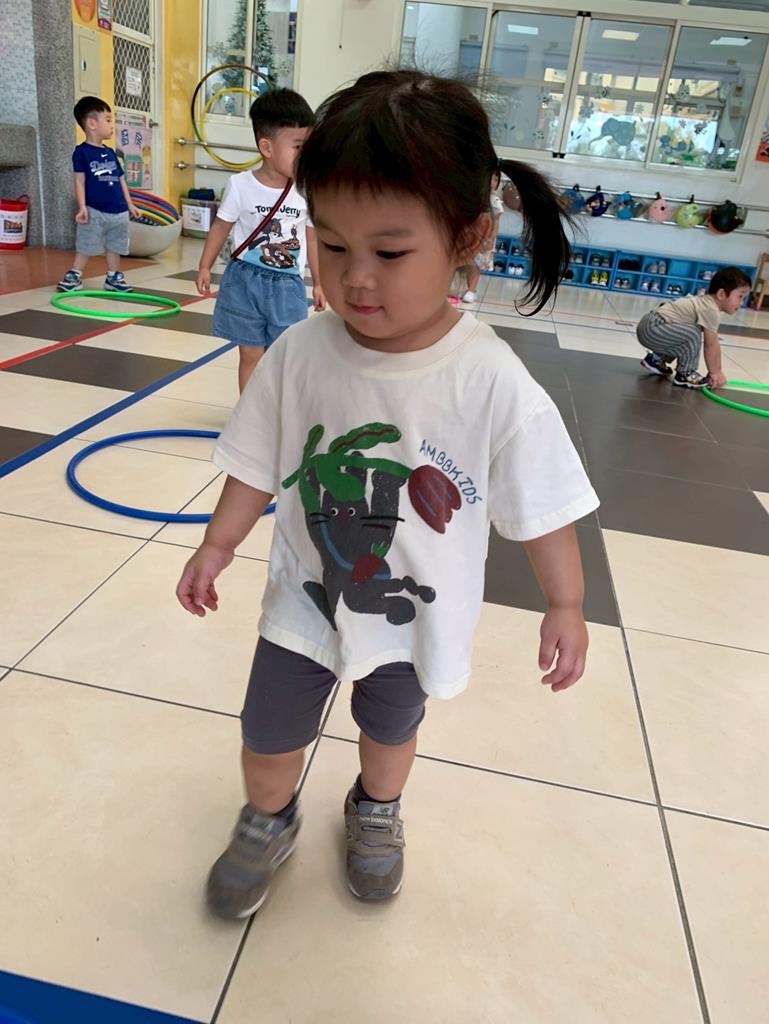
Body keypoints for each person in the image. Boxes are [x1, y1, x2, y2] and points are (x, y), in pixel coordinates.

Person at [176, 69, 599, 920]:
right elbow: (254, 459)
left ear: (468, 237)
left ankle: (376, 811)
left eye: (390, 253)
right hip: (304, 597)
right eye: (333, 247)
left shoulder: (490, 381)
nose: (356, 279)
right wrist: (217, 543)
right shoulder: (301, 350)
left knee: (390, 735)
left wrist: (566, 603)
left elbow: (544, 506)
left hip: (410, 618)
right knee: (268, 735)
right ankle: (268, 816)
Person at [196, 88, 326, 393]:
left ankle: (279, 409)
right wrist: (204, 266)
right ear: (267, 147)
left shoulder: (306, 190)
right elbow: (221, 226)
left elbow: (312, 238)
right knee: (251, 353)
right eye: (298, 147)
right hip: (245, 281)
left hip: (288, 286)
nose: (305, 155)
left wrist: (319, 283)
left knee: (285, 355)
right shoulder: (241, 185)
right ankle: (248, 411)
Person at [57, 97, 139, 294]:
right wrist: (82, 206)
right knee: (86, 243)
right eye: (108, 120)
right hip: (94, 209)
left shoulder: (110, 153)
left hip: (119, 210)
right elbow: (79, 181)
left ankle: (113, 277)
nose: (112, 125)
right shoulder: (81, 153)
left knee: (115, 245)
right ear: (92, 124)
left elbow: (121, 179)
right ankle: (75, 275)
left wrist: (130, 204)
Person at [636, 267, 752, 389]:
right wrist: (716, 372)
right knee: (693, 333)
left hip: (650, 325)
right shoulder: (711, 309)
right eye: (740, 297)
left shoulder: (706, 303)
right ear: (721, 294)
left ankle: (656, 359)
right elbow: (711, 344)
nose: (742, 303)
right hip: (653, 327)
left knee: (685, 334)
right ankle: (685, 373)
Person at [462, 167, 503, 304]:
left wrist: (491, 238)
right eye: (490, 178)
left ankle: (471, 290)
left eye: (496, 180)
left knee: (477, 265)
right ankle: (469, 289)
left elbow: (496, 222)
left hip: (486, 239)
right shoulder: (476, 199)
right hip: (473, 236)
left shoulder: (495, 202)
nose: (492, 182)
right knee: (469, 263)